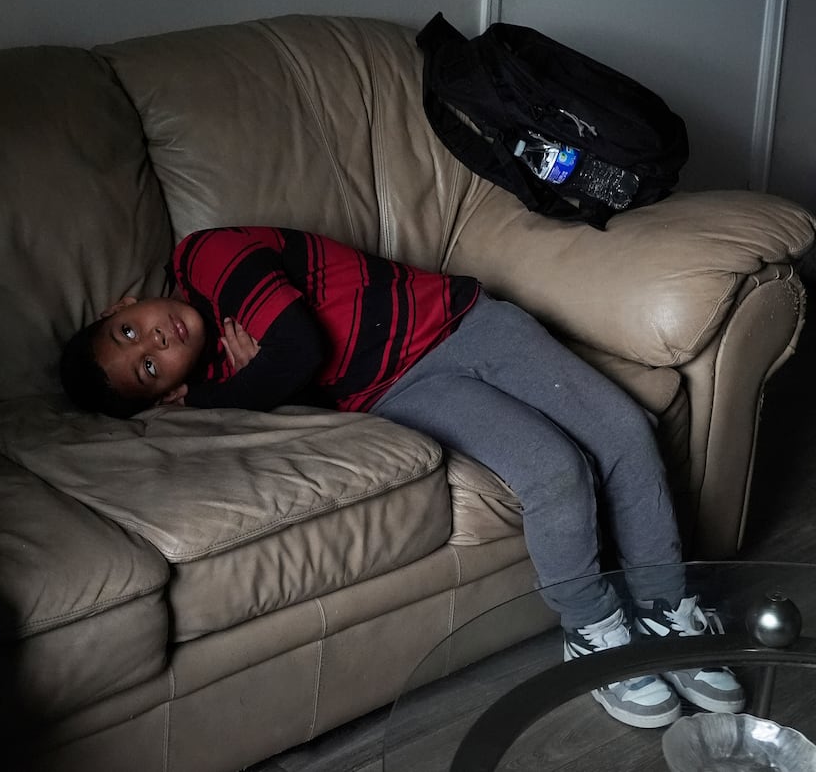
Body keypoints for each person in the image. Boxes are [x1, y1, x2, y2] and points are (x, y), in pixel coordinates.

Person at [59, 225, 743, 730]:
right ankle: (593, 628)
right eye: (149, 368)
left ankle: (667, 608)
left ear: (126, 300)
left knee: (623, 428)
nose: (156, 342)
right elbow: (302, 376)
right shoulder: (220, 370)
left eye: (130, 331)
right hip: (398, 390)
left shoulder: (205, 257)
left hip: (466, 322)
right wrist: (249, 381)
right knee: (554, 469)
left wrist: (241, 386)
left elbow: (300, 348)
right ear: (164, 393)